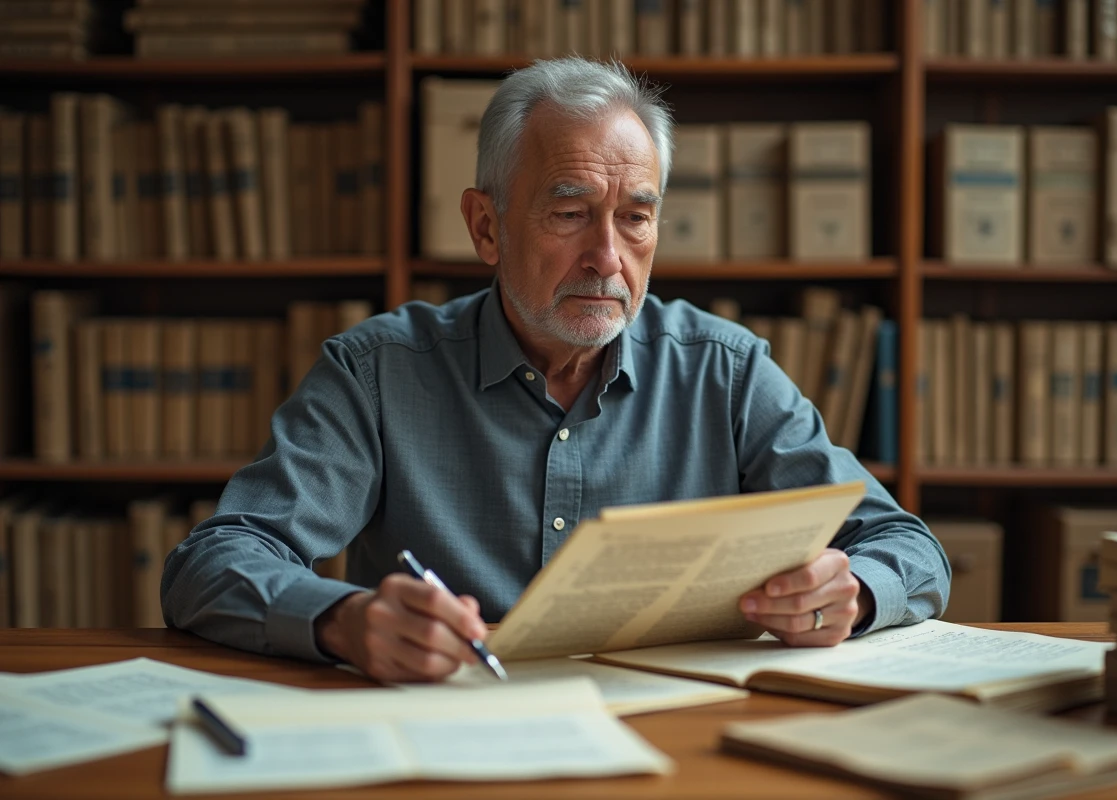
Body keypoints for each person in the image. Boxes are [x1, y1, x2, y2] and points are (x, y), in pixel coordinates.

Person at [162, 57, 949, 683]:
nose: (607, 258)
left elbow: (905, 545)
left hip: (676, 739)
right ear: (486, 226)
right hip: (449, 727)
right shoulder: (377, 372)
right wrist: (341, 620)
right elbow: (213, 561)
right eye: (569, 213)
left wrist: (856, 589)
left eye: (635, 217)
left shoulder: (727, 371)